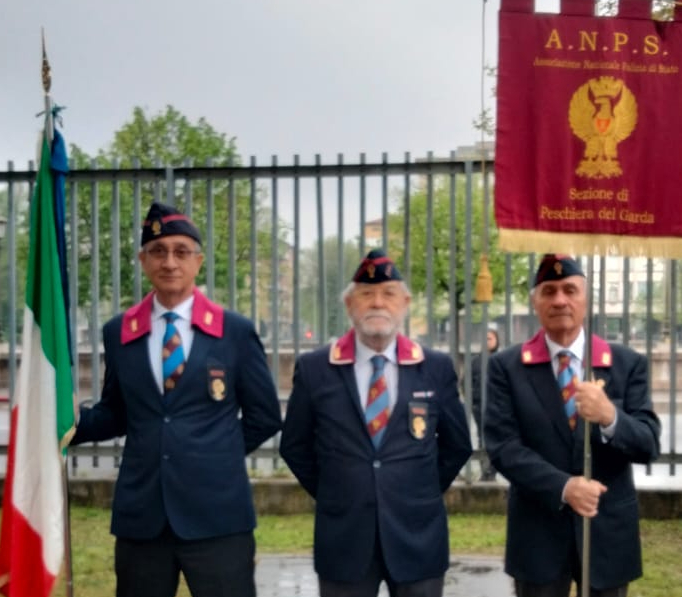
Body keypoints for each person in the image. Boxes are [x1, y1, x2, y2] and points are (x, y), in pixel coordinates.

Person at [70, 201, 282, 597]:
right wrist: (62, 423)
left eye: (181, 252)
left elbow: (265, 415)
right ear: (142, 260)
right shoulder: (119, 331)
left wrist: (213, 454)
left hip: (218, 514)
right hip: (143, 516)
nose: (169, 262)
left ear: (198, 262)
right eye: (158, 251)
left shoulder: (233, 331)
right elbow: (116, 412)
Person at [280, 248, 473, 597]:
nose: (378, 303)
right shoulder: (315, 369)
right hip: (344, 538)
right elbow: (295, 447)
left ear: (405, 303)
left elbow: (457, 445)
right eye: (366, 294)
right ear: (350, 305)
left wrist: (418, 490)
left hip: (418, 536)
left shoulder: (435, 367)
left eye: (388, 294)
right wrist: (337, 491)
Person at [484, 254, 661, 597]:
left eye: (569, 289)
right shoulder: (507, 367)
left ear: (586, 298)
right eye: (548, 291)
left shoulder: (626, 364)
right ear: (535, 302)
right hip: (537, 533)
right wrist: (565, 488)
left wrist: (611, 416)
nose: (560, 300)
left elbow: (648, 445)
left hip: (607, 533)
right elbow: (503, 448)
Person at [470, 327, 500, 481]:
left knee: (498, 437)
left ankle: (493, 470)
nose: (487, 341)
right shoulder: (475, 361)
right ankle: (485, 471)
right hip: (479, 405)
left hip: (498, 406)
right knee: (482, 438)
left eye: (490, 338)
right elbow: (466, 382)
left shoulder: (502, 359)